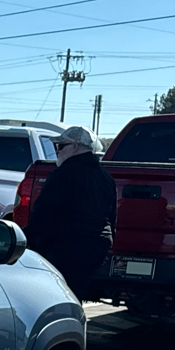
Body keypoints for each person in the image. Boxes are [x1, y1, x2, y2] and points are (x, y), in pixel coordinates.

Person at [27, 125, 116, 299]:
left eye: (60, 146)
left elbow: (43, 213)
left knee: (56, 294)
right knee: (76, 291)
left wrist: (33, 242)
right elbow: (112, 217)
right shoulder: (105, 177)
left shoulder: (62, 174)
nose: (57, 151)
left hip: (66, 246)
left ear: (75, 147)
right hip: (97, 247)